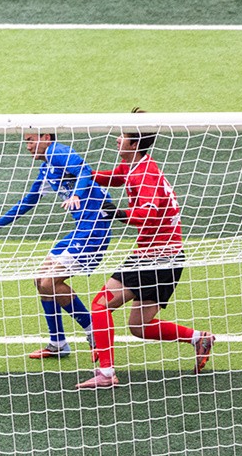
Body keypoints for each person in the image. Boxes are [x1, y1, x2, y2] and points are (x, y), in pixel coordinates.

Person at [76, 112, 215, 388]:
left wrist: (116, 213)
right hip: (168, 257)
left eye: (123, 137)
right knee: (139, 326)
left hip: (155, 257)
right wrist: (79, 173)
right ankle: (199, 338)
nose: (117, 140)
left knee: (100, 305)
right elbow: (113, 177)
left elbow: (148, 215)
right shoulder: (135, 166)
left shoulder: (145, 175)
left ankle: (106, 374)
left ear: (134, 144)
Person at [0, 132, 114, 359]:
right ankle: (58, 343)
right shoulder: (47, 168)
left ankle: (93, 330)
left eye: (30, 140)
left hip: (94, 230)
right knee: (40, 280)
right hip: (81, 230)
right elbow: (29, 200)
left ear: (46, 136)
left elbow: (84, 171)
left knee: (50, 283)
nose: (28, 146)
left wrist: (76, 195)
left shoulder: (57, 151)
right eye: (26, 142)